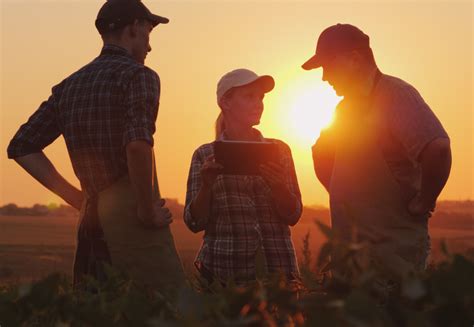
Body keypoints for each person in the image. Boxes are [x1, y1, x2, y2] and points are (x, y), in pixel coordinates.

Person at [7, 0, 185, 299]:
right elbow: (138, 145)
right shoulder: (139, 76)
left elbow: (22, 146)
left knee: (94, 311)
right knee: (161, 308)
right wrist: (144, 208)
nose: (149, 47)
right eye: (148, 34)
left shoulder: (69, 86)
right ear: (134, 28)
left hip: (90, 225)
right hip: (133, 226)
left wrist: (77, 198)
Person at [302, 24, 452, 276]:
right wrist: (344, 195)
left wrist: (425, 200)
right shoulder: (344, 110)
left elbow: (437, 149)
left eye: (328, 66)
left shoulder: (396, 95)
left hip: (394, 257)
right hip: (350, 257)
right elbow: (321, 155)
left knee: (396, 314)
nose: (324, 77)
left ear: (354, 59)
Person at [184, 69, 302, 285]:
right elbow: (194, 222)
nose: (259, 103)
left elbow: (293, 215)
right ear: (225, 103)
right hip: (223, 276)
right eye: (249, 96)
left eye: (261, 97)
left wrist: (279, 187)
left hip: (278, 274)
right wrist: (206, 187)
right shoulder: (204, 155)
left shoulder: (280, 151)